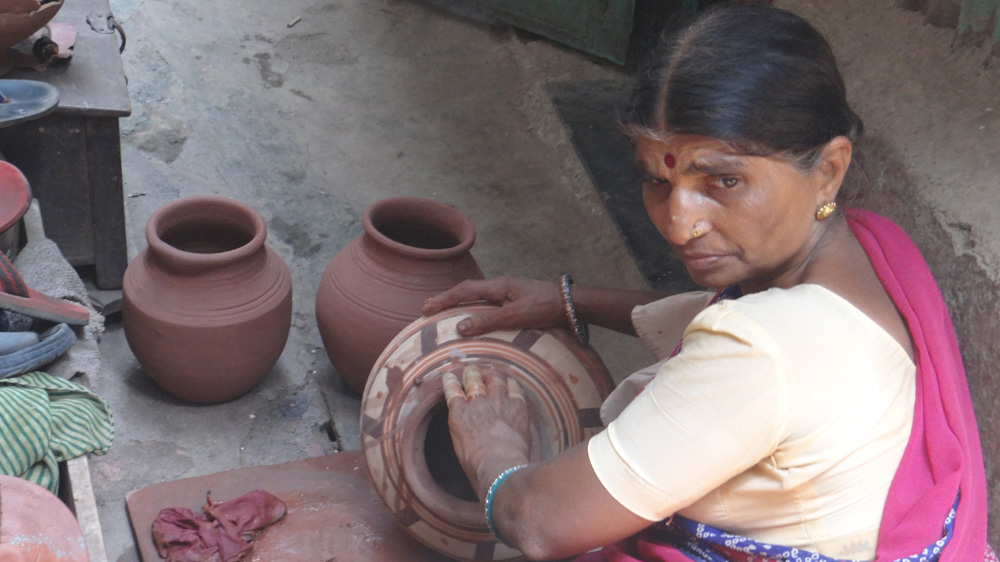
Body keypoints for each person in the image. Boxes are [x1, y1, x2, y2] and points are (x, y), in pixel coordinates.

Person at [421, 5, 994, 562]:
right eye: (656, 181)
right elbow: (760, 334)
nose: (679, 223)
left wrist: (492, 450)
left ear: (828, 170)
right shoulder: (870, 248)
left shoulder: (760, 354)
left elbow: (540, 523)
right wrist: (573, 302)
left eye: (724, 180)